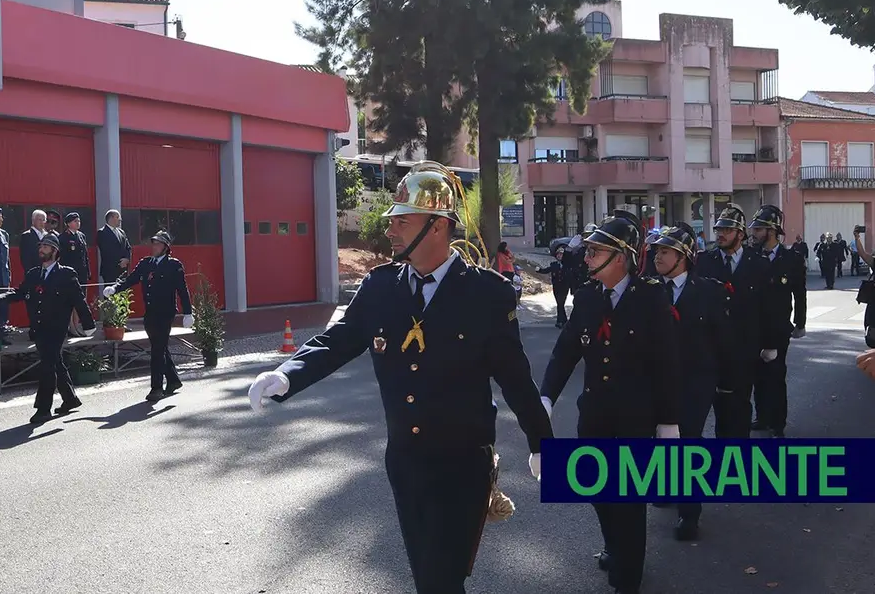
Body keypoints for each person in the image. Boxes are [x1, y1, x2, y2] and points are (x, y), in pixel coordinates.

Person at [247, 161, 549, 594]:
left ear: (438, 226)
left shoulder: (486, 293)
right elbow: (338, 341)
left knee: (443, 578)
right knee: (428, 575)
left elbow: (516, 377)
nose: (390, 232)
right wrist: (285, 375)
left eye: (402, 222)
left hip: (463, 464)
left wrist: (542, 443)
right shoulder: (381, 287)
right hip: (406, 462)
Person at [540, 210, 681, 594]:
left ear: (620, 256)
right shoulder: (587, 297)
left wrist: (669, 423)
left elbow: (667, 363)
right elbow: (566, 350)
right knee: (598, 491)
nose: (585, 259)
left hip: (636, 417)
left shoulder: (651, 297)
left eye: (594, 251)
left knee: (630, 503)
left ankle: (627, 576)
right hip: (596, 415)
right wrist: (546, 397)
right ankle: (615, 544)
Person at [649, 222, 729, 541]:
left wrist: (726, 383)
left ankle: (689, 513)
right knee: (661, 439)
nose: (658, 256)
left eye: (665, 251)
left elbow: (723, 340)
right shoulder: (648, 288)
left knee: (687, 442)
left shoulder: (709, 290)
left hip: (695, 381)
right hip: (658, 381)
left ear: (683, 256)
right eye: (656, 250)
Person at [0, 233, 96, 423]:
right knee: (55, 362)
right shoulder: (33, 274)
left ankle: (43, 408)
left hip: (56, 328)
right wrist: (1, 298)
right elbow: (20, 293)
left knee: (47, 366)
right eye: (40, 246)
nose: (41, 250)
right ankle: (70, 399)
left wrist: (88, 324)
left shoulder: (66, 274)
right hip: (38, 328)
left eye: (46, 247)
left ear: (55, 251)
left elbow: (78, 300)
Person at [694, 203, 767, 438]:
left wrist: (769, 343)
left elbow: (768, 308)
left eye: (727, 229)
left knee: (740, 405)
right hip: (711, 348)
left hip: (744, 349)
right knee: (717, 406)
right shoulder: (704, 261)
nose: (721, 234)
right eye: (718, 229)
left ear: (740, 234)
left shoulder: (759, 263)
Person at [102, 230, 192, 402]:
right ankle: (173, 380)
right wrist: (115, 288)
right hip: (150, 312)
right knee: (159, 346)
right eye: (153, 243)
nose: (154, 246)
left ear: (166, 247)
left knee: (157, 350)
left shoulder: (174, 265)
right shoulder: (145, 264)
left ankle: (156, 388)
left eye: (158, 244)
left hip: (166, 313)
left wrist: (188, 312)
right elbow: (131, 279)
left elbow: (182, 289)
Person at [748, 205, 806, 438]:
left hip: (779, 328)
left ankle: (777, 422)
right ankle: (762, 417)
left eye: (759, 229)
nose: (754, 234)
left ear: (771, 231)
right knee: (757, 376)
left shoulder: (791, 258)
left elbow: (799, 293)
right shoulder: (751, 257)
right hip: (753, 328)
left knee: (775, 375)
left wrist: (800, 323)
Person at [536, 246, 570, 327]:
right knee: (559, 303)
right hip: (556, 286)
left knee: (561, 303)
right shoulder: (554, 264)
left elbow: (571, 275)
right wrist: (539, 270)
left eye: (561, 254)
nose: (559, 256)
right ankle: (563, 320)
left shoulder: (567, 265)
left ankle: (560, 321)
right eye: (558, 254)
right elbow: (547, 270)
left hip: (564, 287)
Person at [96, 209, 132, 284]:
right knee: (111, 293)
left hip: (123, 270)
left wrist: (127, 259)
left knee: (123, 293)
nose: (120, 219)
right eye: (117, 217)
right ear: (111, 218)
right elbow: (106, 251)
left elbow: (128, 247)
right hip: (110, 270)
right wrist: (120, 263)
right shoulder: (102, 233)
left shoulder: (121, 232)